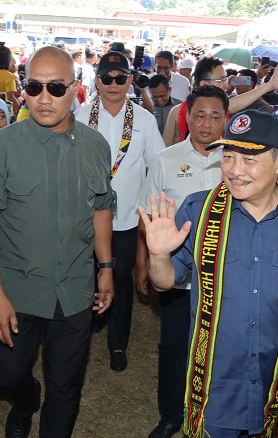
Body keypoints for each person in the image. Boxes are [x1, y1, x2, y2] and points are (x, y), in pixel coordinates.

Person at [141, 109, 278, 438]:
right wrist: (158, 256)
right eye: (228, 157)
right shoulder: (198, 211)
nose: (234, 170)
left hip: (277, 372)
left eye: (248, 160)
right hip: (218, 375)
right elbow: (164, 282)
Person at [0, 46, 115, 438]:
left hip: (74, 289)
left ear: (76, 90)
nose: (44, 98)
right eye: (34, 86)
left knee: (65, 386)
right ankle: (26, 400)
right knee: (7, 377)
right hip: (15, 289)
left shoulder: (96, 146)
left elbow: (101, 210)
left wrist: (107, 268)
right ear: (22, 90)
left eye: (56, 87)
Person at [137, 85, 229, 438]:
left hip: (223, 278)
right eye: (199, 114)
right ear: (186, 117)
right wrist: (142, 262)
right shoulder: (166, 159)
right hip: (177, 275)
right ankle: (171, 415)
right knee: (174, 347)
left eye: (215, 116)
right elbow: (148, 215)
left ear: (226, 120)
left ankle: (213, 412)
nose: (206, 123)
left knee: (222, 348)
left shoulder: (237, 161)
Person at [75, 50, 165, 372]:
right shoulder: (81, 118)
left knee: (122, 282)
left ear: (129, 80)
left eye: (120, 78)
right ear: (97, 81)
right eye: (107, 78)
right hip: (86, 217)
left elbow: (157, 163)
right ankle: (93, 320)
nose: (114, 84)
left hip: (126, 218)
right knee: (86, 276)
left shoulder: (143, 120)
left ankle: (118, 343)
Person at [0, 45, 20, 113]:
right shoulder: (8, 76)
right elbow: (11, 97)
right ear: (8, 60)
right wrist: (20, 110)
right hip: (3, 109)